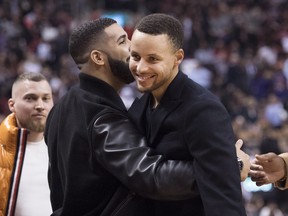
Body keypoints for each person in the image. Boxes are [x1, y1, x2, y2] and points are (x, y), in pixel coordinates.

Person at [44, 17, 205, 216]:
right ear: (98, 58)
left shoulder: (60, 108)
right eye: (123, 41)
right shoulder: (101, 115)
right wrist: (221, 168)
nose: (133, 47)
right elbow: (151, 175)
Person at [128, 13, 247, 215]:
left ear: (178, 58)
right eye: (135, 56)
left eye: (153, 59)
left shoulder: (204, 110)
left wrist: (228, 165)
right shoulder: (140, 105)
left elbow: (224, 201)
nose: (140, 67)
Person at [0, 72, 53, 216]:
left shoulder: (64, 151)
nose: (40, 106)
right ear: (12, 105)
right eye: (31, 98)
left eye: (46, 98)